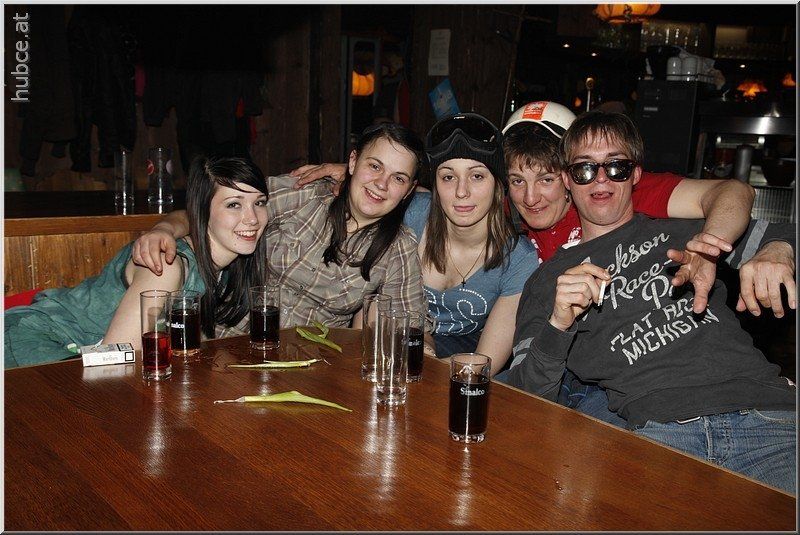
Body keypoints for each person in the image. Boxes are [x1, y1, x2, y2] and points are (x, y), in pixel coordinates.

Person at [507, 110, 796, 493]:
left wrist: (779, 249)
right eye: (585, 169)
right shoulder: (548, 280)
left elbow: (778, 228)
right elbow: (522, 397)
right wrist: (559, 325)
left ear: (636, 175)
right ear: (567, 180)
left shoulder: (688, 230)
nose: (601, 179)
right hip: (660, 435)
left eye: (617, 167)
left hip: (766, 418)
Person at [131, 122, 427, 329]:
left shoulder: (398, 249)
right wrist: (165, 229)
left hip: (309, 370)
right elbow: (209, 211)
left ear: (409, 190)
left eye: (398, 178)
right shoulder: (303, 193)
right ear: (353, 162)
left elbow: (409, 329)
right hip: (226, 343)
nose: (381, 184)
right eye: (374, 166)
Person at [5, 156, 270, 368]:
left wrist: (166, 226)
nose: (252, 218)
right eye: (234, 205)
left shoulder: (226, 267)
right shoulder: (167, 266)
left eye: (259, 203)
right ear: (202, 211)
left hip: (79, 353)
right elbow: (116, 360)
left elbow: (185, 215)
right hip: (37, 338)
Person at [405, 113, 539, 374]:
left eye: (477, 176)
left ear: (498, 183)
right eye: (448, 177)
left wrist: (425, 366)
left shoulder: (518, 260)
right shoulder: (411, 217)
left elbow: (484, 363)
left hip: (462, 364)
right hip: (403, 345)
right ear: (434, 183)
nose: (461, 191)